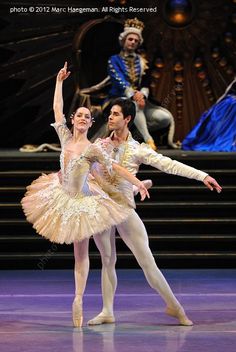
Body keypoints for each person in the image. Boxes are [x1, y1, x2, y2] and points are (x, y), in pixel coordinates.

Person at [21, 63, 150, 327]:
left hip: (84, 202)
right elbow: (57, 109)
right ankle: (78, 297)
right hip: (61, 198)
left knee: (89, 253)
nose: (81, 118)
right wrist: (59, 82)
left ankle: (84, 300)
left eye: (86, 116)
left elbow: (114, 167)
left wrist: (138, 181)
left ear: (91, 123)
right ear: (73, 120)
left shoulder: (93, 148)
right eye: (78, 114)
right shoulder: (65, 138)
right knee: (78, 254)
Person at [84, 97, 222, 327]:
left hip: (124, 209)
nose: (110, 116)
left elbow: (169, 164)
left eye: (116, 114)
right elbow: (83, 169)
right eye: (110, 113)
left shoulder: (138, 150)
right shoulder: (98, 145)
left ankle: (175, 307)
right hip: (101, 208)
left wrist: (202, 175)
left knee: (147, 261)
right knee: (107, 260)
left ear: (128, 119)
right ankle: (107, 311)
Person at [106, 17, 178, 151]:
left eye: (136, 40)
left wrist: (142, 95)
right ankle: (148, 140)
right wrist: (133, 95)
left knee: (165, 118)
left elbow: (146, 82)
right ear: (123, 40)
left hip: (140, 102)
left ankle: (133, 133)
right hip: (119, 99)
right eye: (130, 39)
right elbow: (119, 80)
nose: (133, 42)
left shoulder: (142, 61)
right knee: (132, 105)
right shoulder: (113, 60)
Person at [182, 77, 236, 151]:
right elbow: (226, 92)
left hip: (229, 104)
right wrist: (214, 107)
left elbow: (226, 93)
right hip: (230, 105)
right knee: (221, 126)